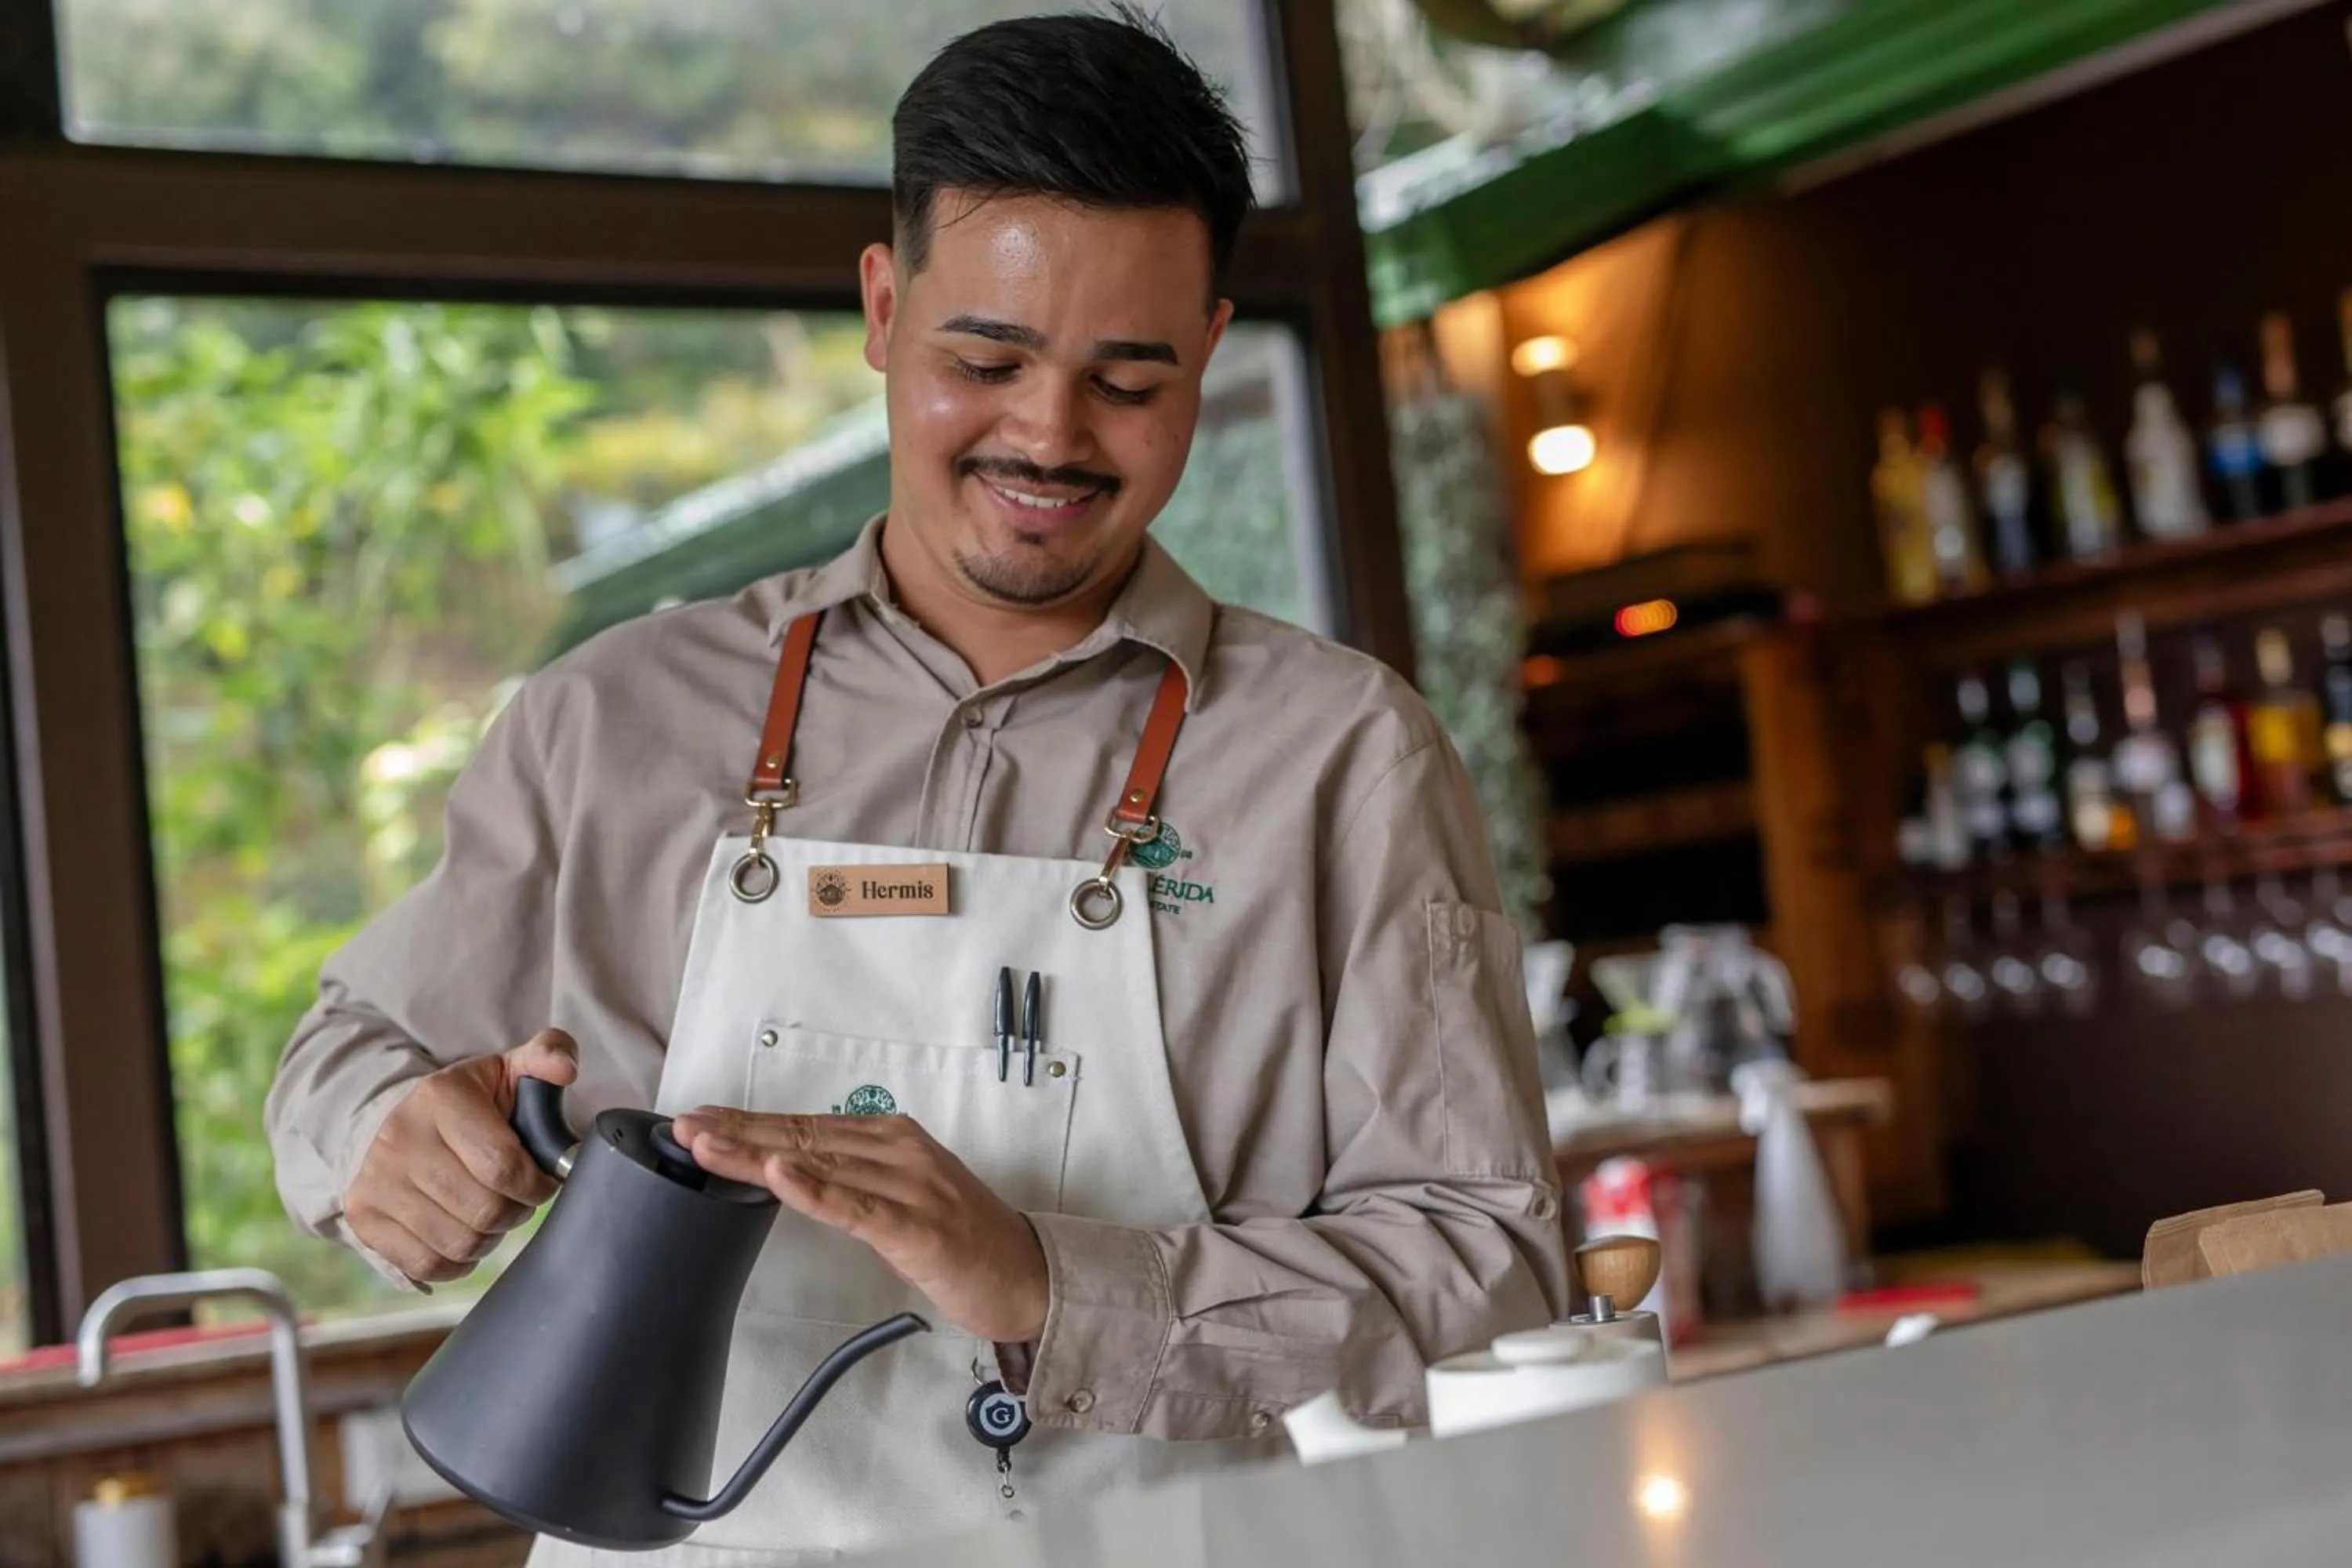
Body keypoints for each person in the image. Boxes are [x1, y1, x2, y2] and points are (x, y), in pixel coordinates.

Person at [266, 9, 1566, 1564]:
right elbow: (337, 1058)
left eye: (1129, 381)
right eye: (986, 358)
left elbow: (1489, 1262)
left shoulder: (1344, 760)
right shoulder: (613, 720)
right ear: (885, 309)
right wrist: (385, 1139)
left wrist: (1053, 1284)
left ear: (1212, 350)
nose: (1049, 435)